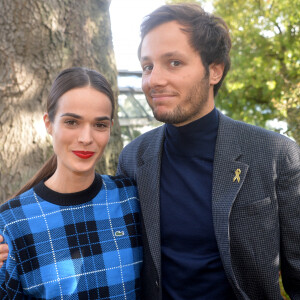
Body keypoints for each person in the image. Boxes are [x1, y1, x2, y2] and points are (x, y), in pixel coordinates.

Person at [116, 3, 300, 300]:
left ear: (214, 70)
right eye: (147, 66)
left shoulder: (276, 156)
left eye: (174, 62)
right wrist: (13, 249)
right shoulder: (133, 159)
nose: (154, 80)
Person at [0, 67, 142, 299]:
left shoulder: (130, 198)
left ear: (110, 129)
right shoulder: (12, 223)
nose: (86, 138)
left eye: (99, 125)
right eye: (72, 122)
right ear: (48, 123)